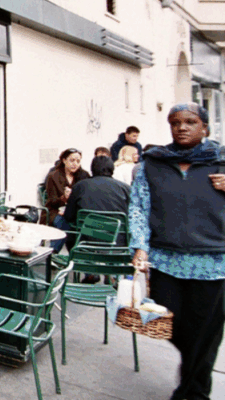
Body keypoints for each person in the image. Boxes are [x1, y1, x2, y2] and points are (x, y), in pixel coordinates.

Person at [131, 103, 225, 400]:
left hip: (214, 263)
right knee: (174, 327)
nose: (182, 127)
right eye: (175, 122)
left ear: (205, 128)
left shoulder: (222, 160)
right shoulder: (153, 162)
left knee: (206, 334)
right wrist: (139, 247)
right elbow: (138, 208)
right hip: (165, 261)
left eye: (190, 122)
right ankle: (193, 381)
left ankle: (194, 392)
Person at [64, 155, 130, 247]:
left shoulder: (80, 186)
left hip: (85, 244)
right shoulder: (125, 189)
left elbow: (68, 216)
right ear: (112, 169)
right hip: (118, 245)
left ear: (92, 169)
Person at [45, 148, 90, 251]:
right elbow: (52, 201)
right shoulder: (54, 176)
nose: (75, 164)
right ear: (64, 160)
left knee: (78, 223)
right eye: (72, 160)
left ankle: (76, 253)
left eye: (78, 161)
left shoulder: (84, 176)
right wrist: (64, 198)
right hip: (56, 210)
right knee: (62, 223)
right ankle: (54, 253)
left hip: (76, 211)